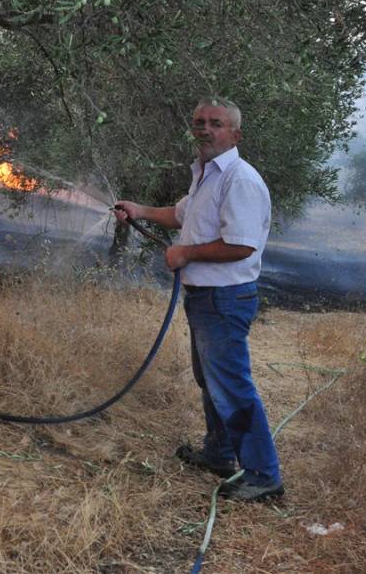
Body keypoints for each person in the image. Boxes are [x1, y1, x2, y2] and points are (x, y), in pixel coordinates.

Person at [114, 96, 283, 502]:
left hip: (224, 299)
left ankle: (263, 474)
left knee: (231, 386)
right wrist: (139, 210)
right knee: (211, 381)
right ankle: (220, 454)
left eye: (216, 123)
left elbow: (241, 246)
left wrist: (185, 253)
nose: (205, 129)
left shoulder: (238, 179)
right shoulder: (206, 174)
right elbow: (180, 215)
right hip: (206, 299)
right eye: (199, 122)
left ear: (235, 134)